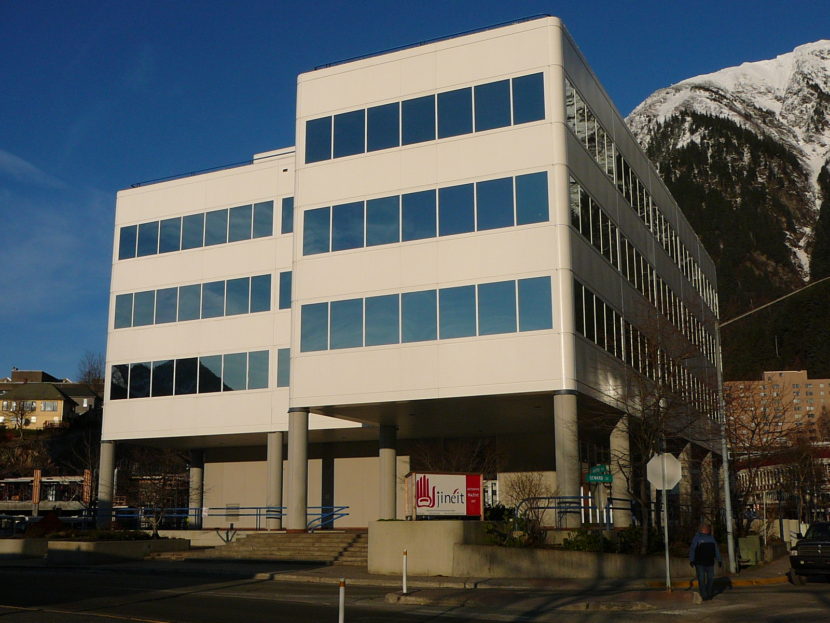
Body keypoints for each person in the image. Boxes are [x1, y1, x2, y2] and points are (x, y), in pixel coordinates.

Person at [689, 523, 723, 601]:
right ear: (702, 529)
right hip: (700, 563)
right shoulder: (697, 538)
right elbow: (693, 549)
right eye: (706, 528)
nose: (708, 530)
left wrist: (719, 559)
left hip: (710, 562)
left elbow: (716, 549)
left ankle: (708, 593)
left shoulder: (711, 538)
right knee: (701, 579)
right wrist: (692, 560)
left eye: (708, 528)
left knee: (710, 579)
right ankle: (704, 595)